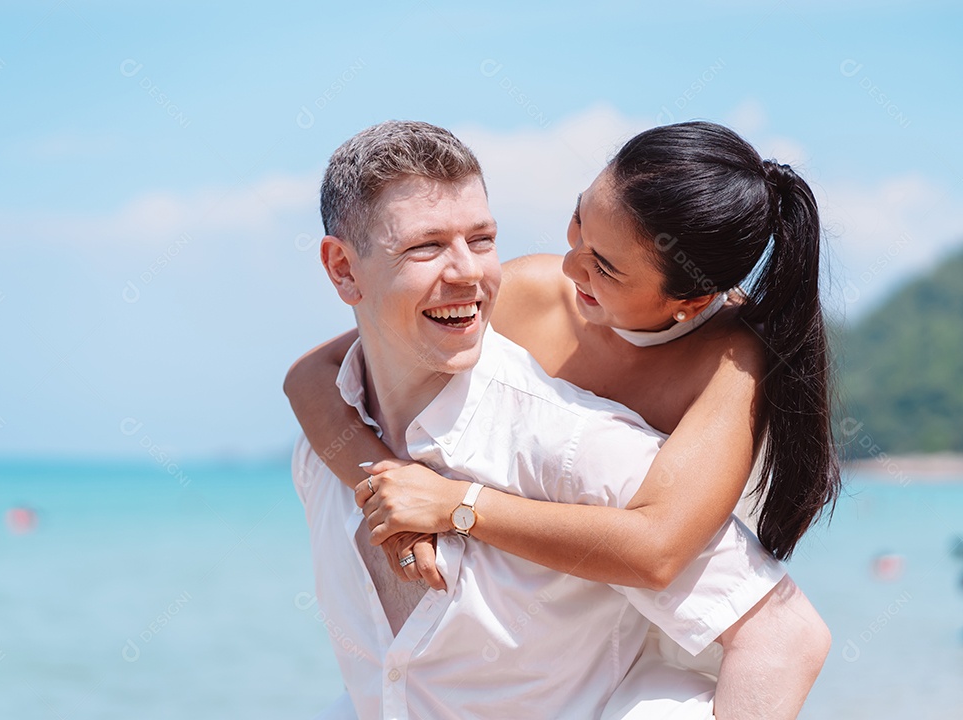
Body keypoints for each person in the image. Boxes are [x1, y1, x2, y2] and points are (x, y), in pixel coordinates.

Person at [289, 120, 829, 719]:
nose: (572, 268)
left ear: (690, 303)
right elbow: (317, 374)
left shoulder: (729, 367)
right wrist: (392, 489)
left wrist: (454, 505)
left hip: (675, 616)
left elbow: (657, 552)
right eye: (578, 224)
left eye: (605, 267)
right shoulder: (535, 287)